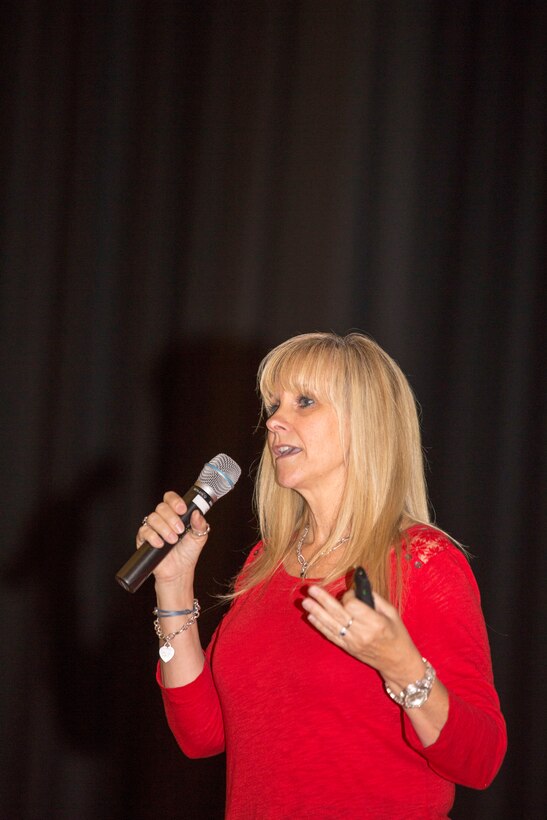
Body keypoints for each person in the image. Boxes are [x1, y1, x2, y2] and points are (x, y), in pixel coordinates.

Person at [136, 331, 506, 819]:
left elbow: (480, 761)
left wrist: (402, 666)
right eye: (273, 404)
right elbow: (202, 735)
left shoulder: (423, 561)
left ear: (364, 425)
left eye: (304, 401)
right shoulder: (266, 563)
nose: (274, 421)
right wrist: (173, 583)